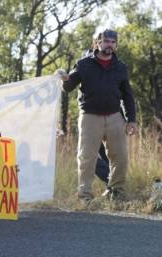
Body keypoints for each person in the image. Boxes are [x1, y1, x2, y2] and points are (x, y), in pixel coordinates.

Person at [60, 29, 137, 204]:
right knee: (87, 157)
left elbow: (127, 95)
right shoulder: (84, 64)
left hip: (115, 117)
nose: (109, 44)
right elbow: (69, 86)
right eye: (106, 41)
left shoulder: (121, 68)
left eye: (113, 42)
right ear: (98, 43)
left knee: (121, 156)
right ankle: (85, 196)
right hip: (89, 117)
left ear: (116, 45)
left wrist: (131, 119)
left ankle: (116, 192)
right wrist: (65, 79)